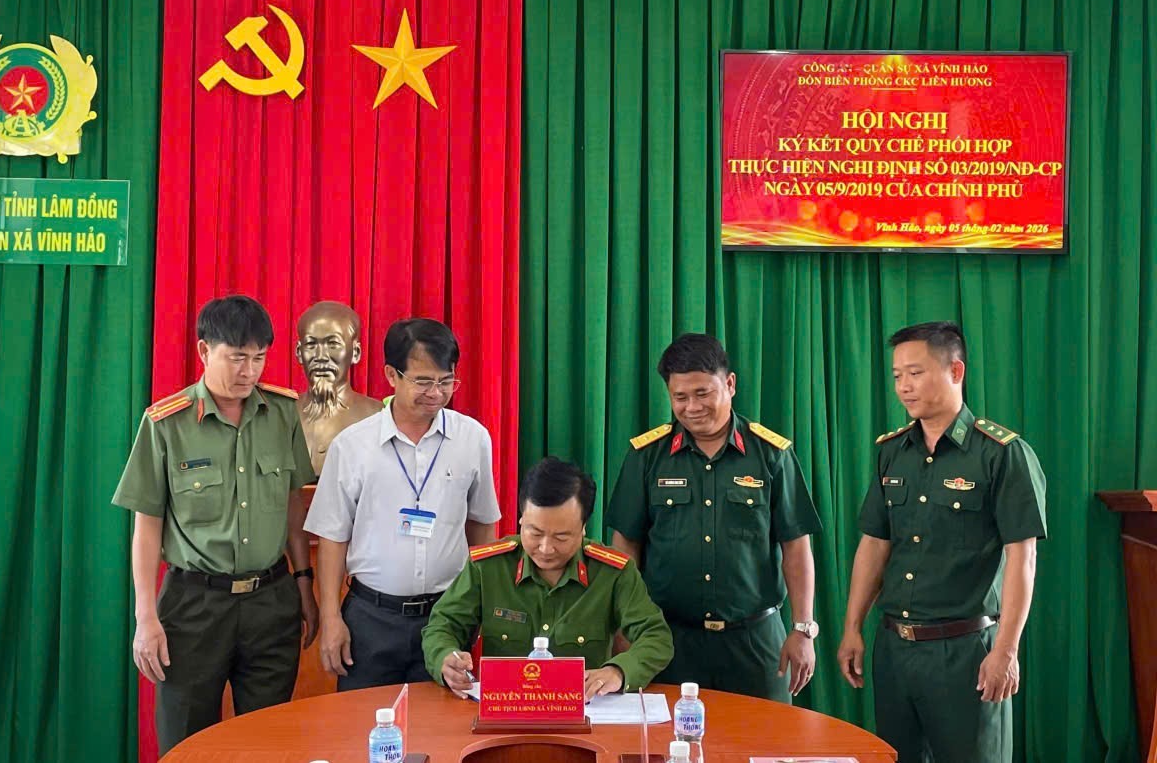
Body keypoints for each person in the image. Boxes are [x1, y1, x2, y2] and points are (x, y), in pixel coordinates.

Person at [111, 295, 319, 756]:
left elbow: (293, 508)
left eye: (259, 358)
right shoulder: (166, 423)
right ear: (204, 351)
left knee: (268, 743)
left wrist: (304, 586)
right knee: (188, 742)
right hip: (194, 606)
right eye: (238, 357)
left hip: (271, 601)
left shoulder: (282, 413)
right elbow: (146, 528)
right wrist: (145, 617)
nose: (249, 371)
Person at [837, 321, 1047, 763]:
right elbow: (874, 544)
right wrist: (853, 626)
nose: (904, 386)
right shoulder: (891, 451)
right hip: (895, 649)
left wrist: (1006, 650)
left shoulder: (1001, 453)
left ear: (955, 371)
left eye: (915, 373)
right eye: (897, 375)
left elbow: (1022, 557)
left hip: (964, 652)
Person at [606, 333, 822, 702]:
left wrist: (803, 628)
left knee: (766, 736)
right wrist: (624, 624)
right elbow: (626, 546)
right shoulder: (647, 456)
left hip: (754, 640)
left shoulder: (771, 454)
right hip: (667, 639)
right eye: (680, 397)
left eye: (702, 393)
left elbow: (796, 547)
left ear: (730, 384)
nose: (692, 407)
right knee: (665, 736)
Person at [305, 317, 502, 690]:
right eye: (423, 381)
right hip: (371, 617)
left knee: (441, 721)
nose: (436, 393)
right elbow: (332, 537)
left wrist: (478, 604)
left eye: (446, 381)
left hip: (447, 615)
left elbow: (482, 525)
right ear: (391, 375)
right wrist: (331, 617)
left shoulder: (472, 439)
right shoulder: (352, 445)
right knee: (363, 719)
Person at [422, 457, 674, 700]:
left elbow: (656, 637)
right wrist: (444, 657)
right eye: (534, 532)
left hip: (584, 711)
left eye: (561, 537)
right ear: (521, 519)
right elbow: (443, 624)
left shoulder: (612, 573)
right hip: (504, 708)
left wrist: (618, 671)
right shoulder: (488, 567)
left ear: (583, 528)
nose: (545, 548)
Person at [295, 301, 383, 473]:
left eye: (333, 344)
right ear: (299, 352)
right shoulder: (283, 414)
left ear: (355, 352)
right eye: (311, 345)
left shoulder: (376, 416)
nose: (321, 356)